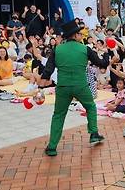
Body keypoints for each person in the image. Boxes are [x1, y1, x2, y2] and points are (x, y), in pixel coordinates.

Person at [41, 20, 109, 156]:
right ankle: (93, 133)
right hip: (81, 86)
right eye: (79, 34)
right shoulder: (85, 49)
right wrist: (106, 53)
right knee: (90, 107)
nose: (81, 36)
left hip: (63, 86)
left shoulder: (58, 49)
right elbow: (101, 64)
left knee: (58, 115)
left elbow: (48, 69)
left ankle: (52, 146)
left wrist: (41, 86)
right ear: (75, 35)